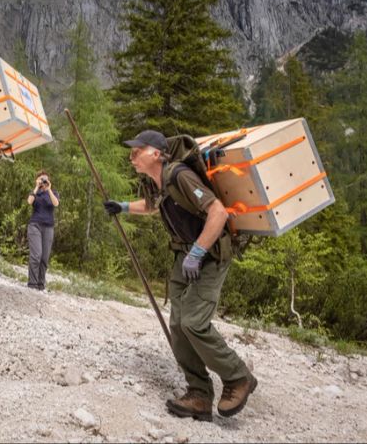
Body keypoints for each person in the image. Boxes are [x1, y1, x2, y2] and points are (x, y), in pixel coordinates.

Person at [103, 129, 256, 421]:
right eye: (132, 149)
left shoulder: (179, 174)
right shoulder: (159, 182)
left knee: (194, 322)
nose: (132, 154)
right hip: (184, 256)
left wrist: (198, 252)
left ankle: (238, 377)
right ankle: (199, 394)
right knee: (178, 325)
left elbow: (218, 213)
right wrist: (122, 207)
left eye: (139, 149)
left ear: (157, 153)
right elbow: (152, 205)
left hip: (209, 256)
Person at [26, 170, 59, 291]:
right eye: (41, 179)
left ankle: (40, 284)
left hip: (48, 227)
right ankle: (32, 283)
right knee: (36, 255)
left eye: (45, 179)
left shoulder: (53, 193)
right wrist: (36, 187)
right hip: (35, 226)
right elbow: (29, 201)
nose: (43, 181)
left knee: (44, 257)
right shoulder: (35, 193)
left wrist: (49, 189)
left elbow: (56, 204)